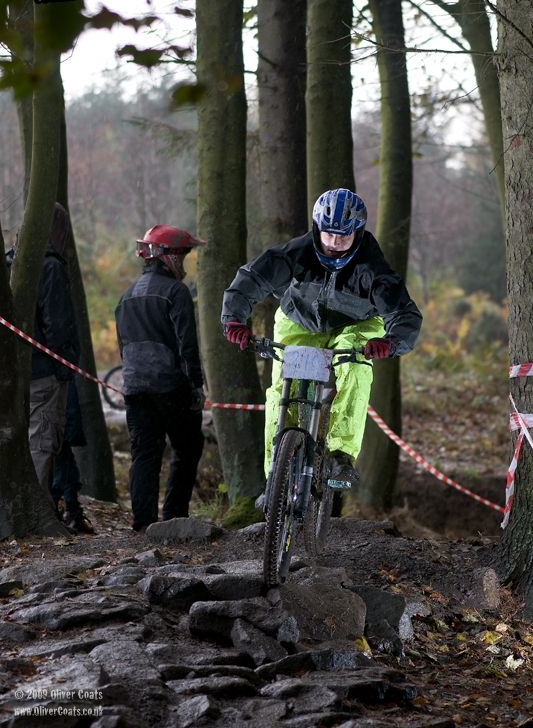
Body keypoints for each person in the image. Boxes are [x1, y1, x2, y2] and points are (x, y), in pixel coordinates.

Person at [221, 188, 422, 485]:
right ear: (317, 228)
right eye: (329, 234)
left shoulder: (372, 268)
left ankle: (341, 455)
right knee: (281, 387)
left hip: (356, 324)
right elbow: (252, 278)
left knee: (355, 369)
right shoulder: (297, 252)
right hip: (299, 319)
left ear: (357, 233)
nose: (335, 243)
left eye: (343, 236)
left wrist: (390, 342)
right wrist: (234, 319)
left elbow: (404, 313)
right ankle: (276, 475)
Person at [115, 224, 206, 532]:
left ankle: (143, 524)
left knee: (144, 453)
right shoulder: (176, 292)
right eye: (184, 256)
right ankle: (174, 517)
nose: (185, 264)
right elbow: (187, 345)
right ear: (170, 257)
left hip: (134, 388)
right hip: (170, 385)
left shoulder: (126, 297)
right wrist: (196, 385)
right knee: (188, 446)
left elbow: (123, 348)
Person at [6, 204, 80, 509]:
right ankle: (35, 510)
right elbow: (57, 324)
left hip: (16, 372)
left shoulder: (10, 263)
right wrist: (64, 370)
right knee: (42, 440)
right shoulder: (49, 266)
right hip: (44, 373)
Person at [51, 380, 95, 534]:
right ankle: (56, 510)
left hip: (62, 406)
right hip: (56, 406)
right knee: (62, 465)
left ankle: (73, 511)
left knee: (67, 463)